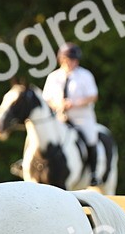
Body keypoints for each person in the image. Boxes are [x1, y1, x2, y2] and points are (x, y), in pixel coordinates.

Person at [42, 42, 100, 185]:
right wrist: (58, 104)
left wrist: (74, 103)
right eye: (69, 59)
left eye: (74, 60)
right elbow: (46, 100)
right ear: (61, 59)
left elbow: (93, 96)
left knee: (91, 139)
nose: (72, 62)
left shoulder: (85, 75)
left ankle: (93, 173)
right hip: (60, 118)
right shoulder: (53, 77)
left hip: (81, 117)